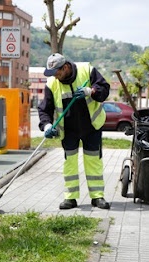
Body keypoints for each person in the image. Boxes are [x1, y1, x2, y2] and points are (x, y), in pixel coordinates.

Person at [38, 53, 111, 209]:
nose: (55, 77)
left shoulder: (87, 70)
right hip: (68, 131)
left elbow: (104, 89)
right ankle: (70, 198)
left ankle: (97, 197)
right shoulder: (52, 84)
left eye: (57, 73)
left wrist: (90, 91)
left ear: (65, 67)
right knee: (69, 163)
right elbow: (45, 109)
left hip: (91, 127)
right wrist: (47, 126)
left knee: (94, 162)